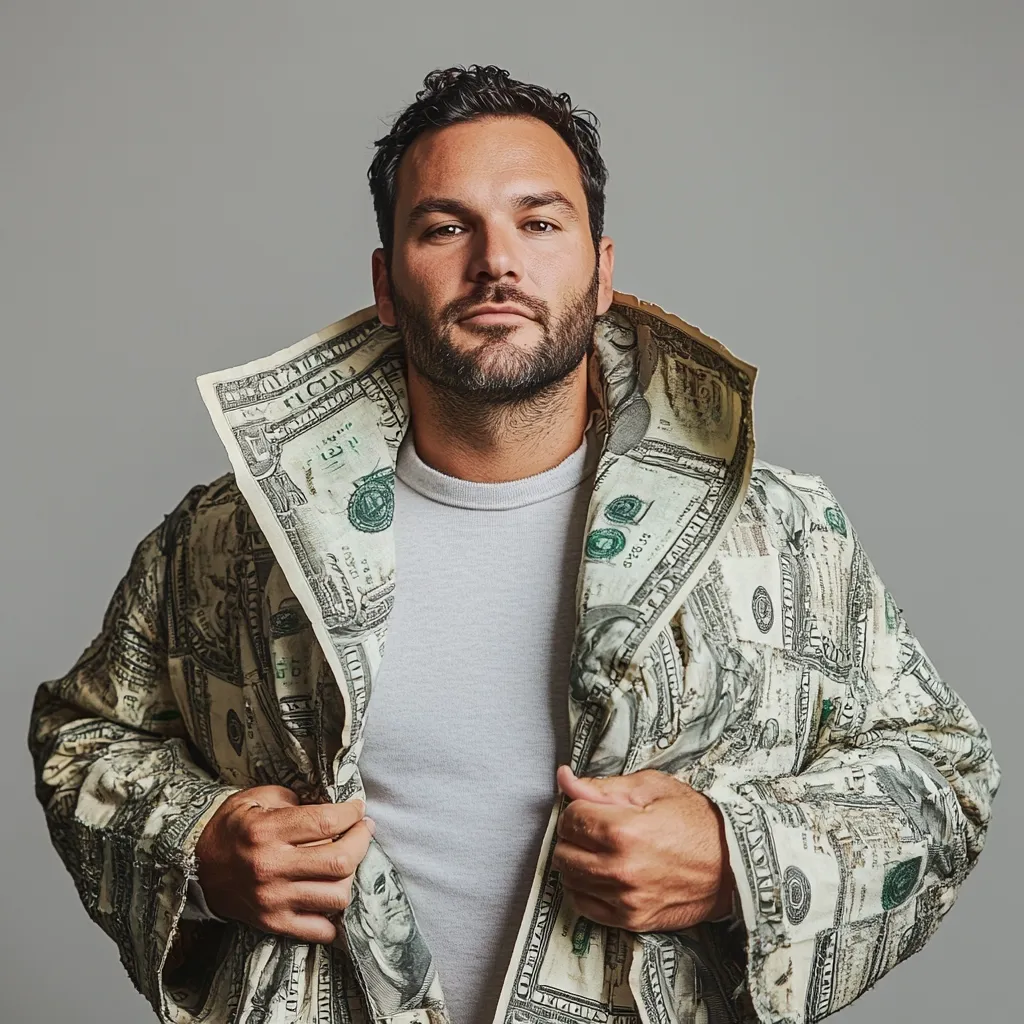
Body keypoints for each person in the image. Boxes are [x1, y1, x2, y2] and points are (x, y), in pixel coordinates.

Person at [28, 65, 1000, 1024]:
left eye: (539, 222)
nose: (497, 260)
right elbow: (82, 736)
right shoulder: (234, 539)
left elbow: (948, 775)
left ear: (602, 269)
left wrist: (736, 851)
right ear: (383, 278)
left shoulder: (779, 531)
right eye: (446, 226)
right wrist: (197, 844)